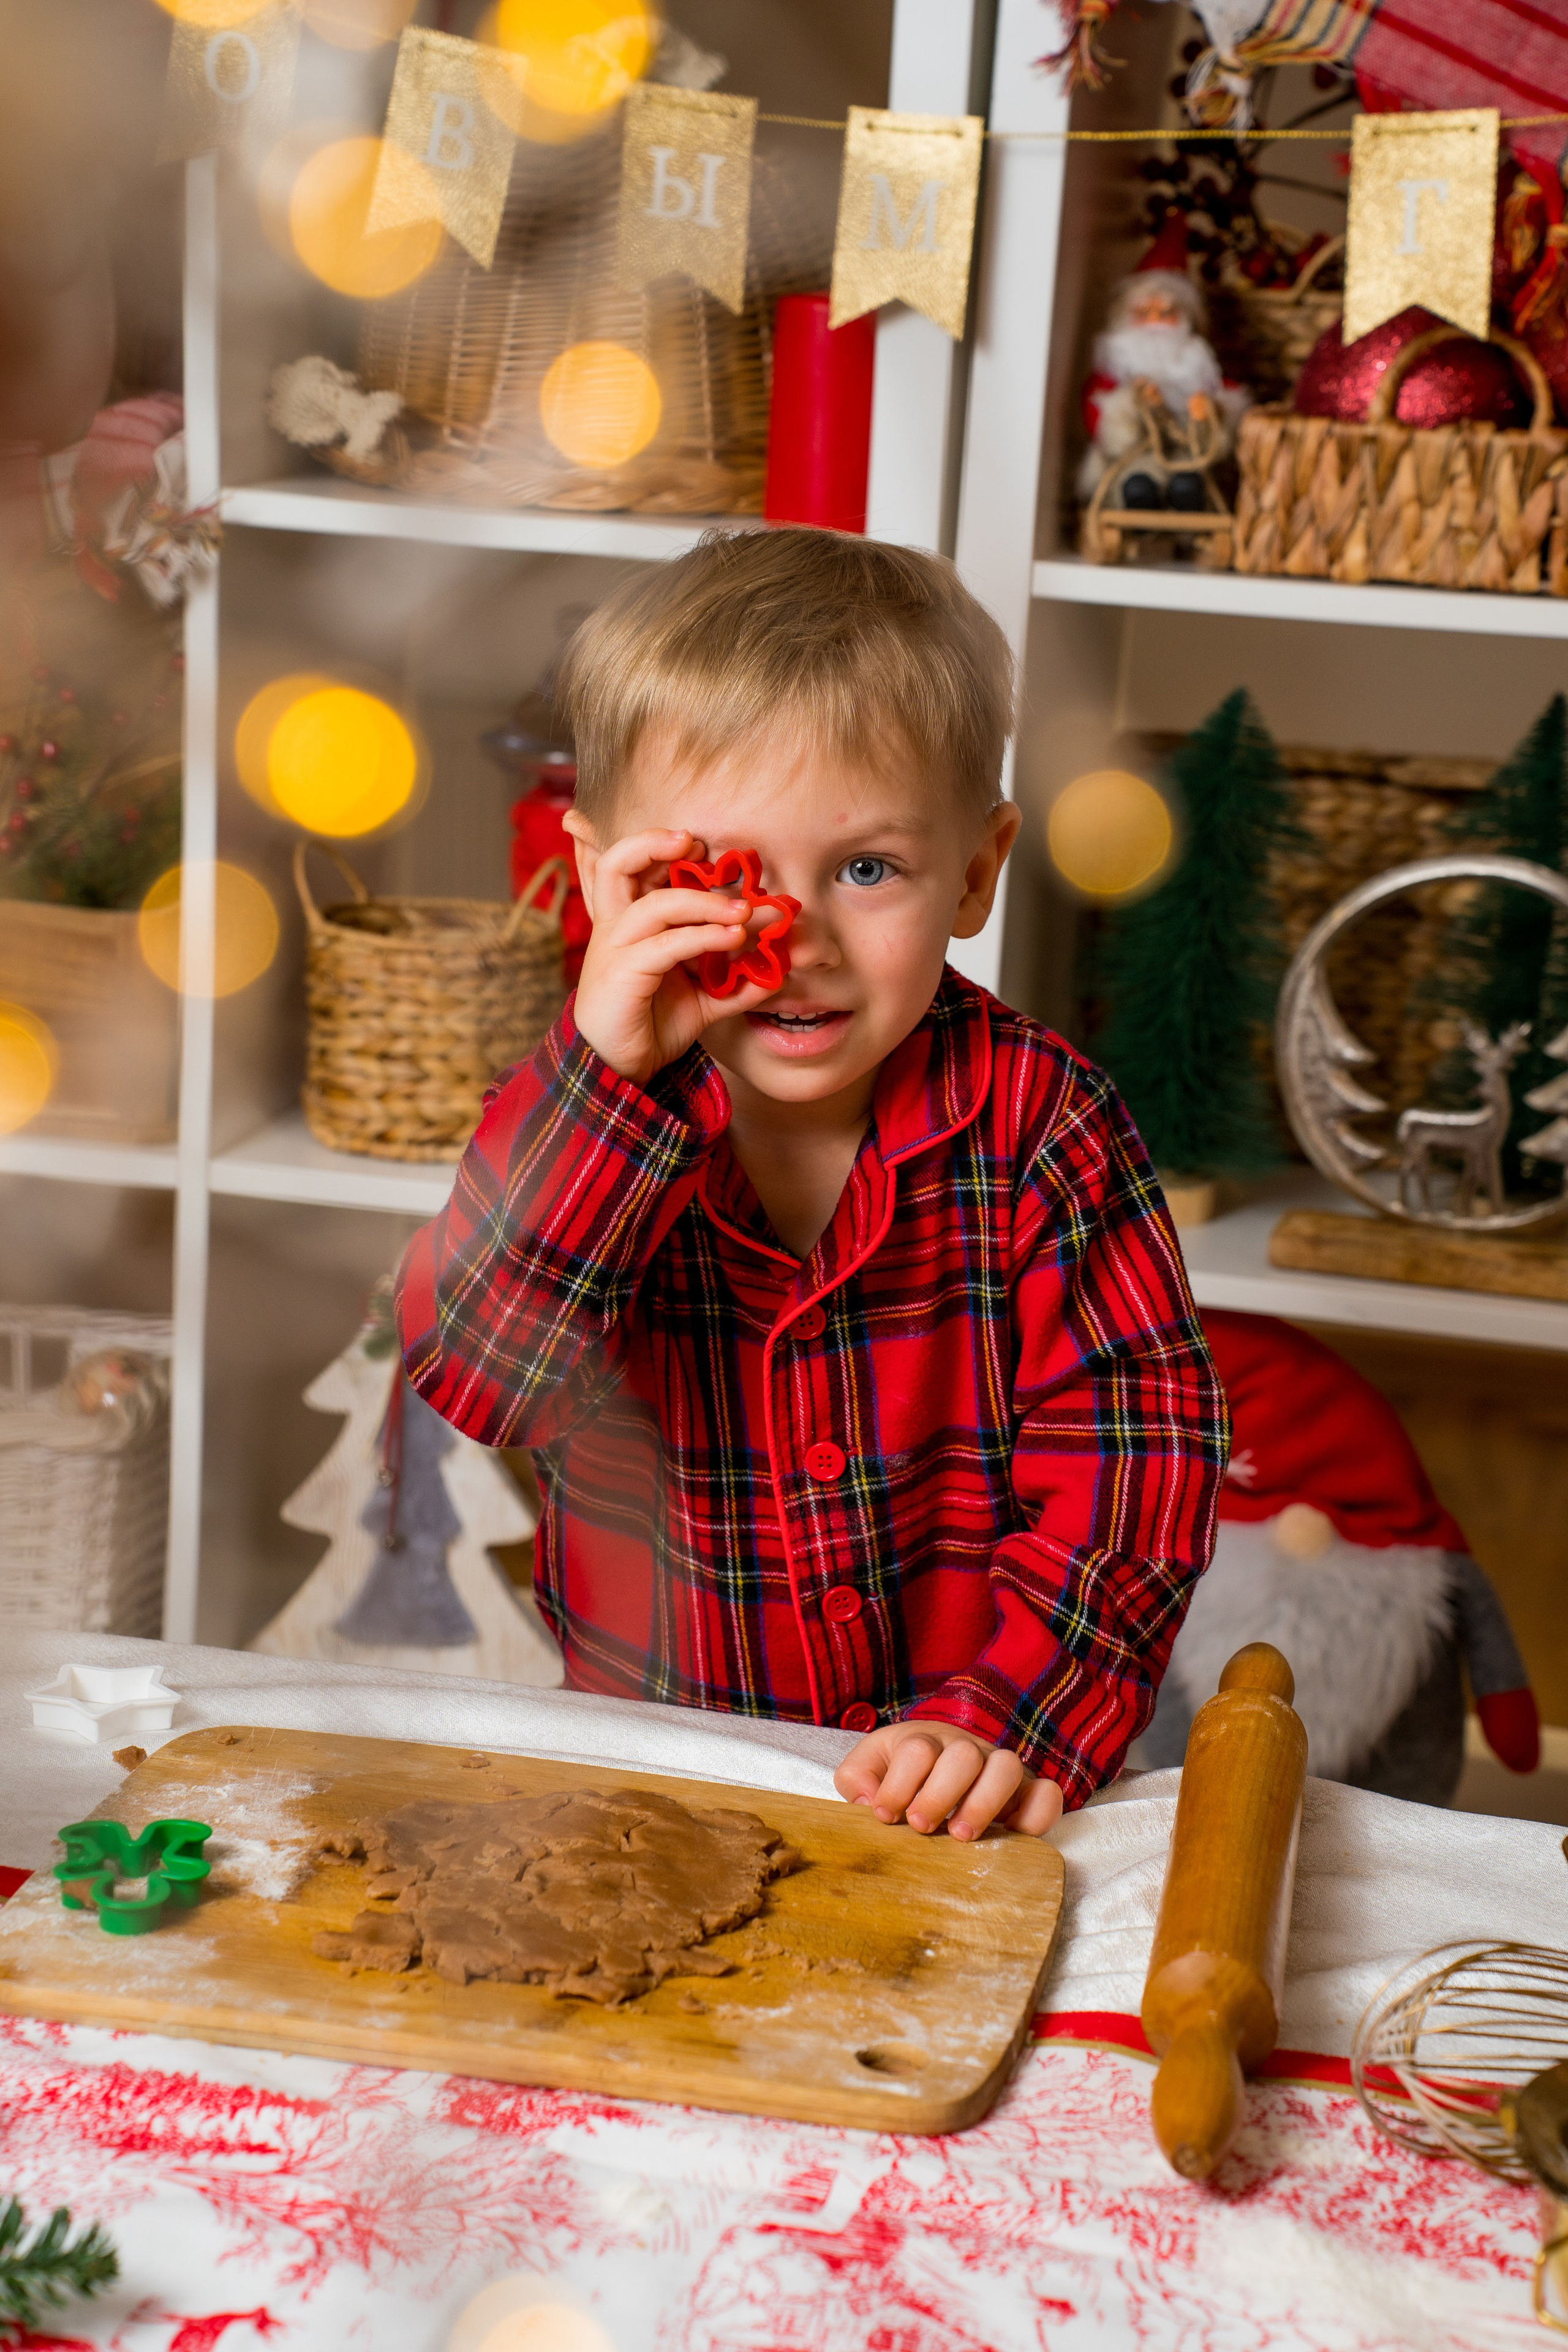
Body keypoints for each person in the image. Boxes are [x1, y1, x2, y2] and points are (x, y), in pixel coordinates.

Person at [396, 528, 1226, 1842]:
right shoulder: (573, 1114)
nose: (793, 943)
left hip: (962, 1788)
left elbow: (1134, 1464)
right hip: (655, 1763)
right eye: (721, 878)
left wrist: (1004, 1718)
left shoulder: (1046, 1125)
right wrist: (607, 1078)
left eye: (863, 869)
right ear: (602, 878)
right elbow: (481, 1380)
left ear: (973, 870)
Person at [1079, 217, 1248, 508]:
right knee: (1138, 483)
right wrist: (1132, 403)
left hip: (1187, 451)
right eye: (1144, 312)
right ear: (1127, 316)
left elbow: (1230, 398)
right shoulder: (1118, 357)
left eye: (1166, 312)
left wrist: (1212, 411)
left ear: (1184, 317)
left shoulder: (1198, 359)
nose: (1155, 320)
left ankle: (1188, 507)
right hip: (1133, 455)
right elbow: (1096, 412)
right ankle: (1139, 499)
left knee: (1189, 483)